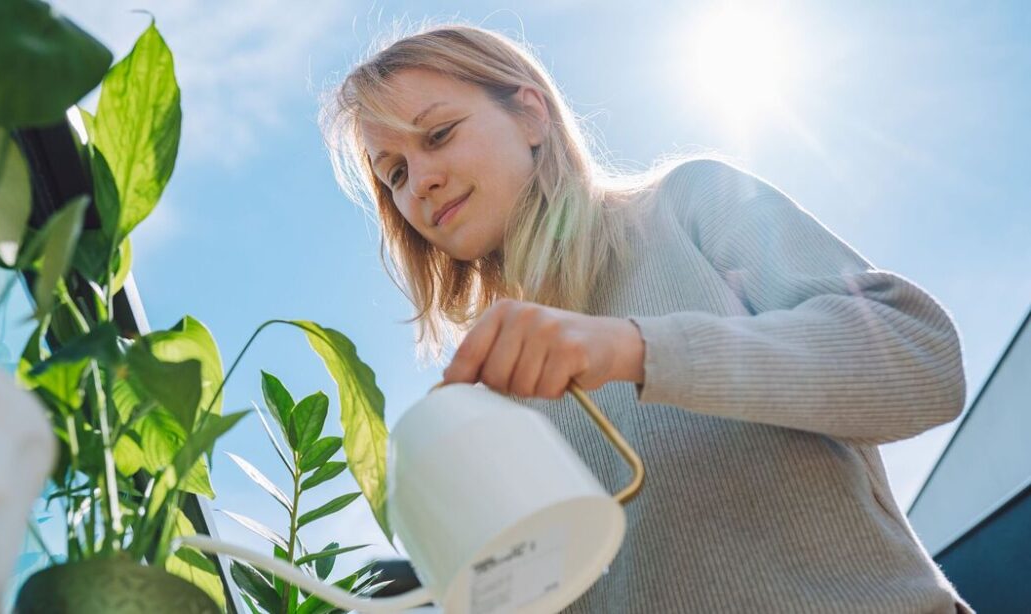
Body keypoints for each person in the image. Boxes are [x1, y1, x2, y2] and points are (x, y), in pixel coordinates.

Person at [321, 24, 970, 613]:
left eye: (438, 135)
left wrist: (634, 349)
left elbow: (924, 360)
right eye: (395, 173)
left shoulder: (691, 204)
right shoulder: (492, 388)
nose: (420, 183)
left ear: (529, 114)